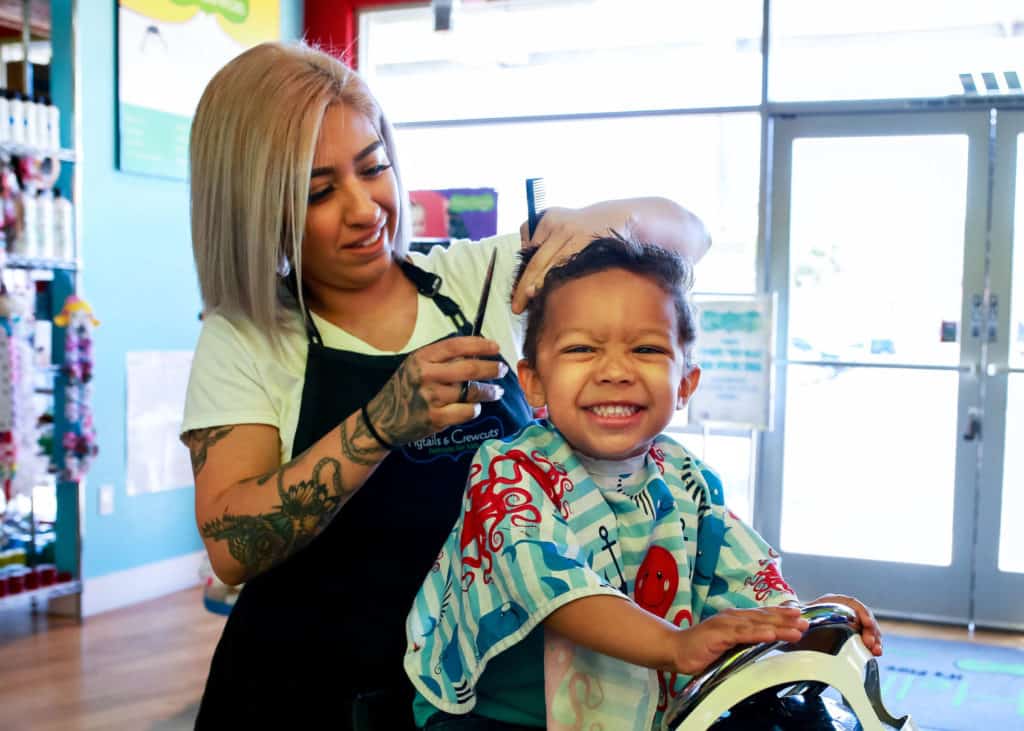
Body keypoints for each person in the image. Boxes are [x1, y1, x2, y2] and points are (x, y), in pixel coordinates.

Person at [180, 41, 711, 730]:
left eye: (373, 169)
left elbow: (686, 236)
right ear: (259, 209)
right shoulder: (247, 335)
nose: (365, 207)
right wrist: (377, 426)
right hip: (300, 696)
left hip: (485, 703)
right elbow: (233, 544)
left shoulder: (485, 279)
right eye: (319, 191)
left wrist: (595, 224)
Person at [405, 235, 883, 730]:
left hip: (633, 705)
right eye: (582, 348)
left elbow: (745, 572)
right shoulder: (508, 471)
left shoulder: (688, 479)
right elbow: (554, 588)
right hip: (495, 713)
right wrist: (674, 645)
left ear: (685, 385)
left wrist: (798, 619)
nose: (615, 371)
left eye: (647, 348)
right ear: (534, 382)